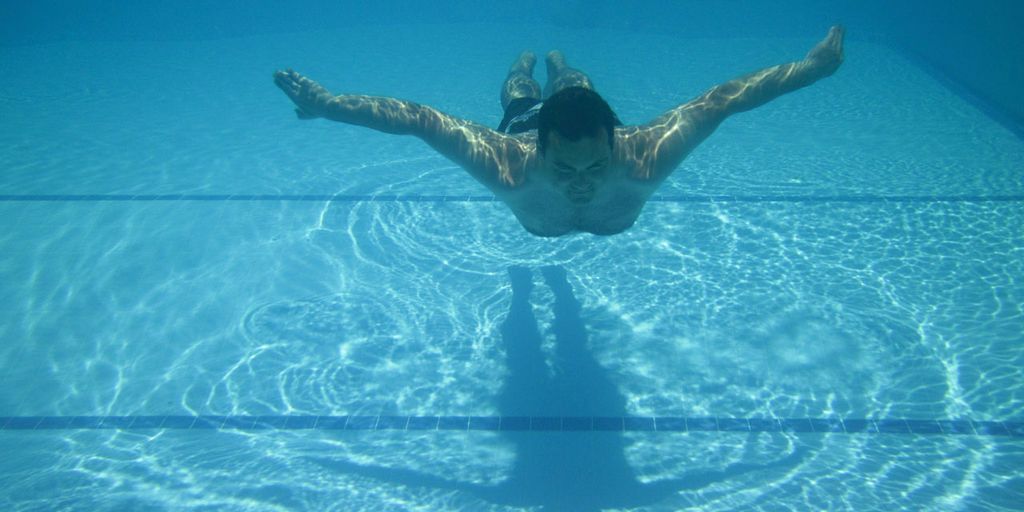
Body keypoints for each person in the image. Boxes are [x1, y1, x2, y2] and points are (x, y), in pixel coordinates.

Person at [274, 26, 844, 237]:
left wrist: (811, 70)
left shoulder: (643, 156)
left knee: (573, 78)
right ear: (538, 153)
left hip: (582, 117)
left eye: (596, 167)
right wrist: (331, 107)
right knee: (518, 93)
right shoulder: (508, 160)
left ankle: (557, 60)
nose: (580, 183)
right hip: (528, 122)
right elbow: (421, 120)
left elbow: (721, 102)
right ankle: (526, 68)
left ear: (616, 145)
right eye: (565, 168)